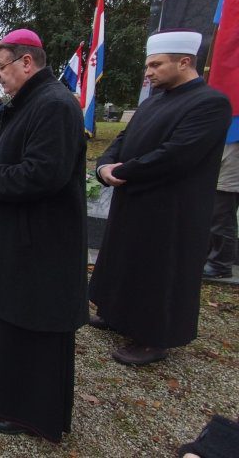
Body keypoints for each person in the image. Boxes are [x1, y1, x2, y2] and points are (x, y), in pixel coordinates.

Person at [0, 28, 88, 442]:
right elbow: (25, 157)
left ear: (27, 62)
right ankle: (6, 393)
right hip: (22, 235)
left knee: (30, 325)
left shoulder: (53, 105)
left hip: (41, 242)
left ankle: (27, 411)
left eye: (1, 67)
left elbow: (45, 174)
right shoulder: (33, 102)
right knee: (12, 318)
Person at [89, 30, 232, 366]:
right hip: (134, 198)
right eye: (147, 65)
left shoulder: (210, 103)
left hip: (173, 208)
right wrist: (104, 165)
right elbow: (124, 138)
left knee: (159, 270)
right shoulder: (153, 100)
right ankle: (115, 312)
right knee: (125, 259)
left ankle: (152, 338)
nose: (148, 72)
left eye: (155, 65)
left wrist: (123, 171)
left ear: (184, 62)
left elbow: (176, 154)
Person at [203, 144, 239, 278]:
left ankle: (219, 264)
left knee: (222, 219)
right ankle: (212, 260)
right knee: (216, 218)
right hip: (225, 165)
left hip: (231, 168)